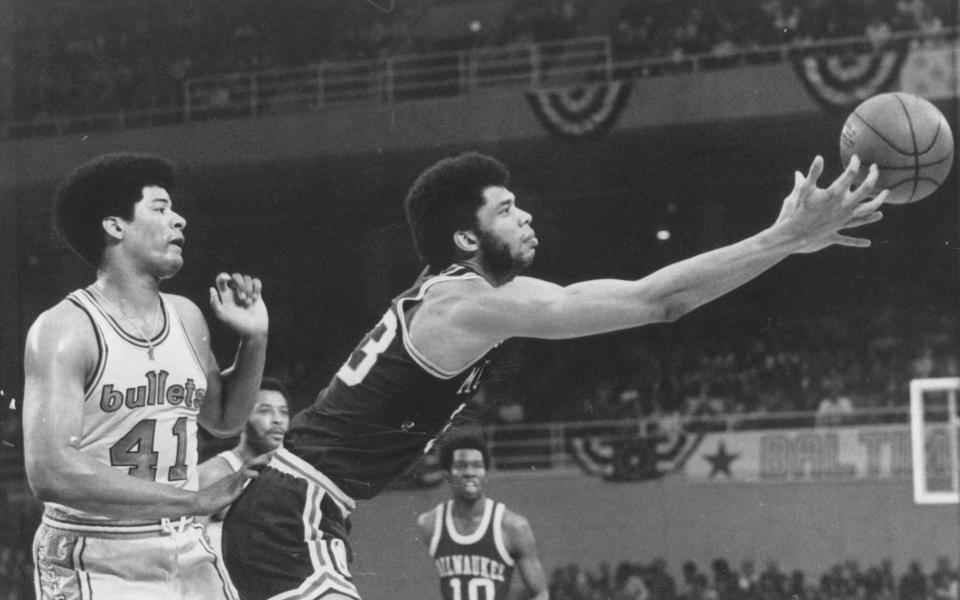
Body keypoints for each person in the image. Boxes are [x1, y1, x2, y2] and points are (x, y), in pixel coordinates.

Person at [223, 151, 886, 600]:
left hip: (289, 506)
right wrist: (782, 237)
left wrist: (788, 244)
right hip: (293, 512)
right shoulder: (471, 302)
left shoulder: (443, 289)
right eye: (507, 208)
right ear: (464, 240)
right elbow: (658, 301)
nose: (527, 216)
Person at [22, 152, 270, 600]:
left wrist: (254, 340)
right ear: (115, 226)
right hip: (96, 548)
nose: (179, 221)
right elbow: (50, 471)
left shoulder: (187, 317)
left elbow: (225, 419)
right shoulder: (65, 329)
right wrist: (192, 500)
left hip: (184, 539)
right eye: (160, 208)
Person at [416, 435, 548, 600]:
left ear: (486, 473)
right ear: (447, 475)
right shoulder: (429, 524)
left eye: (477, 466)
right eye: (461, 466)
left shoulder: (512, 526)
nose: (470, 472)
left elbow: (540, 593)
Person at [198, 376, 291, 549]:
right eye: (265, 411)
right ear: (240, 420)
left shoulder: (287, 476)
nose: (278, 420)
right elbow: (188, 547)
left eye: (284, 412)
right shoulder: (214, 474)